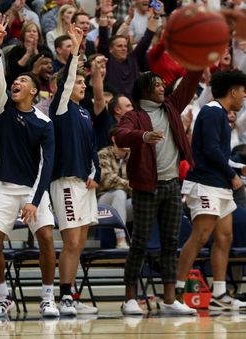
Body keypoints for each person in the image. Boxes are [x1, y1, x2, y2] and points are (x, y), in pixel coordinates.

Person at [0, 18, 59, 318]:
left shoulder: (44, 123)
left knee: (46, 238)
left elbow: (47, 164)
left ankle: (47, 297)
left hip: (32, 190)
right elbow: (0, 76)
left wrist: (34, 201)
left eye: (23, 82)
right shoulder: (4, 108)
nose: (17, 84)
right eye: (16, 82)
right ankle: (3, 297)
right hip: (4, 187)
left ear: (33, 92)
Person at [115, 68, 202, 316]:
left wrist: (198, 59)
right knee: (140, 242)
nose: (162, 87)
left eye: (163, 84)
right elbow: (120, 137)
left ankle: (169, 300)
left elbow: (190, 81)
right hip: (146, 187)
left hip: (173, 185)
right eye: (156, 84)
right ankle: (130, 298)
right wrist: (142, 136)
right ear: (145, 89)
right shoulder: (135, 116)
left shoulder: (172, 106)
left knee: (170, 243)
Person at [176, 70, 246, 311]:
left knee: (225, 237)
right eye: (243, 91)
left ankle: (219, 293)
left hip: (219, 186)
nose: (244, 96)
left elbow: (221, 154)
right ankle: (176, 292)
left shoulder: (220, 114)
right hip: (205, 184)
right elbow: (211, 150)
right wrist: (233, 176)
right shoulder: (211, 111)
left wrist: (237, 168)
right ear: (233, 91)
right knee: (200, 236)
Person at [49, 23, 100, 316]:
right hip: (65, 181)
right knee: (70, 242)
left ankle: (72, 296)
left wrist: (97, 175)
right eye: (78, 83)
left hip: (84, 182)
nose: (81, 86)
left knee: (79, 243)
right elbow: (67, 80)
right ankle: (64, 297)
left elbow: (92, 148)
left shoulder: (83, 113)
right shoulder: (61, 106)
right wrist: (77, 50)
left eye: (83, 84)